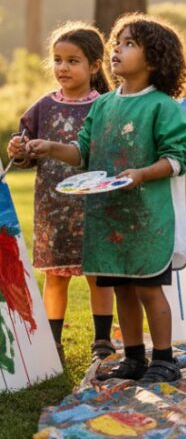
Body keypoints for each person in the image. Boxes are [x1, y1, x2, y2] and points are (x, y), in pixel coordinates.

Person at [26, 13, 186, 383]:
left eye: (129, 44)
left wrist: (142, 174)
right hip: (108, 217)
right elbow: (83, 152)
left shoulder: (162, 107)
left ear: (153, 60)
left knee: (149, 288)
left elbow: (177, 158)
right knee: (121, 289)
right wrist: (52, 146)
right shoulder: (102, 105)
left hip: (147, 216)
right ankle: (133, 357)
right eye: (116, 42)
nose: (116, 48)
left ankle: (163, 359)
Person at [6, 22, 115, 363]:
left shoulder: (107, 106)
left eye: (73, 60)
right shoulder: (43, 107)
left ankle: (102, 341)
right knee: (55, 277)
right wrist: (18, 149)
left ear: (95, 65)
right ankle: (52, 344)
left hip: (95, 206)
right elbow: (24, 155)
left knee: (98, 275)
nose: (63, 68)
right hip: (53, 207)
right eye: (57, 60)